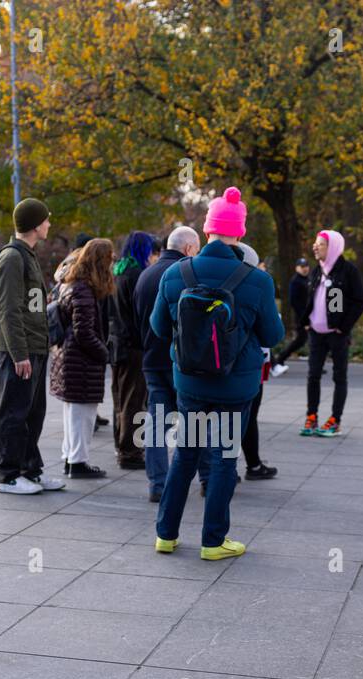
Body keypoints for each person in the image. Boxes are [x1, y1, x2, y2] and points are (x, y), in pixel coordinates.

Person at [149, 187, 285, 559]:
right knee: (224, 459)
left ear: (207, 231)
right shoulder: (256, 281)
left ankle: (166, 534)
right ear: (239, 234)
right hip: (234, 386)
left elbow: (159, 327)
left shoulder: (176, 274)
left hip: (189, 382)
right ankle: (213, 541)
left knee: (186, 455)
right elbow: (273, 335)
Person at [0, 197, 65, 494]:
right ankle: (7, 475)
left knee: (33, 412)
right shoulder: (12, 258)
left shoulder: (28, 254)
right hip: (19, 349)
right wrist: (18, 353)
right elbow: (8, 310)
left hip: (35, 345)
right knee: (14, 412)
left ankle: (30, 469)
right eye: (45, 220)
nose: (49, 224)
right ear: (35, 225)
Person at [134, 226, 207, 503]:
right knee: (195, 421)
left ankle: (158, 483)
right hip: (181, 361)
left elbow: (137, 319)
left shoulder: (145, 275)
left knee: (155, 422)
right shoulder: (184, 275)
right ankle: (205, 478)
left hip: (151, 359)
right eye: (196, 248)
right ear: (188, 249)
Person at [50, 238, 113, 478]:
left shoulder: (71, 284)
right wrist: (103, 353)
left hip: (69, 358)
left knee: (73, 413)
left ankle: (71, 458)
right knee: (82, 415)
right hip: (81, 361)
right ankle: (78, 461)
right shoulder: (84, 290)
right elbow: (84, 332)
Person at [297, 229, 363, 436]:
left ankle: (335, 420)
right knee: (313, 376)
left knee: (339, 377)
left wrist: (342, 327)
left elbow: (359, 302)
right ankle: (311, 417)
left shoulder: (347, 271)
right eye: (315, 244)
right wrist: (306, 321)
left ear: (333, 247)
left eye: (320, 244)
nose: (315, 247)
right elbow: (312, 299)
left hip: (337, 334)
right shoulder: (317, 270)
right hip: (316, 333)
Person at [109, 231, 155, 469]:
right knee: (134, 400)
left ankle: (122, 444)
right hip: (133, 345)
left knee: (120, 397)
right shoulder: (137, 274)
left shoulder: (118, 271)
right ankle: (130, 451)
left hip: (117, 343)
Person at [235, 242, 277, 479]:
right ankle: (252, 464)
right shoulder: (257, 285)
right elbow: (272, 333)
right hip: (250, 362)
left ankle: (210, 473)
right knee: (247, 415)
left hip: (207, 363)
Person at [269, 257, 312, 377]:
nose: (304, 269)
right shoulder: (296, 281)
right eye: (302, 267)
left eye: (306, 266)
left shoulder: (308, 279)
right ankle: (280, 358)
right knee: (301, 340)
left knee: (305, 340)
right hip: (302, 317)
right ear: (297, 268)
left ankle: (281, 359)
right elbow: (295, 302)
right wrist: (304, 319)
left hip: (309, 315)